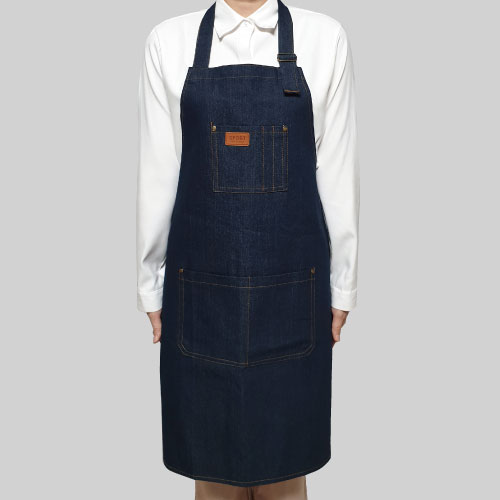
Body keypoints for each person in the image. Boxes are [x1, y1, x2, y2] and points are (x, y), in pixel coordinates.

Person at [137, 0, 359, 498]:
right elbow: (157, 172)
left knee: (286, 474)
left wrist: (343, 284)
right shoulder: (167, 41)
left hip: (293, 294)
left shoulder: (325, 38)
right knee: (212, 475)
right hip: (201, 297)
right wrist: (150, 285)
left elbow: (339, 169)